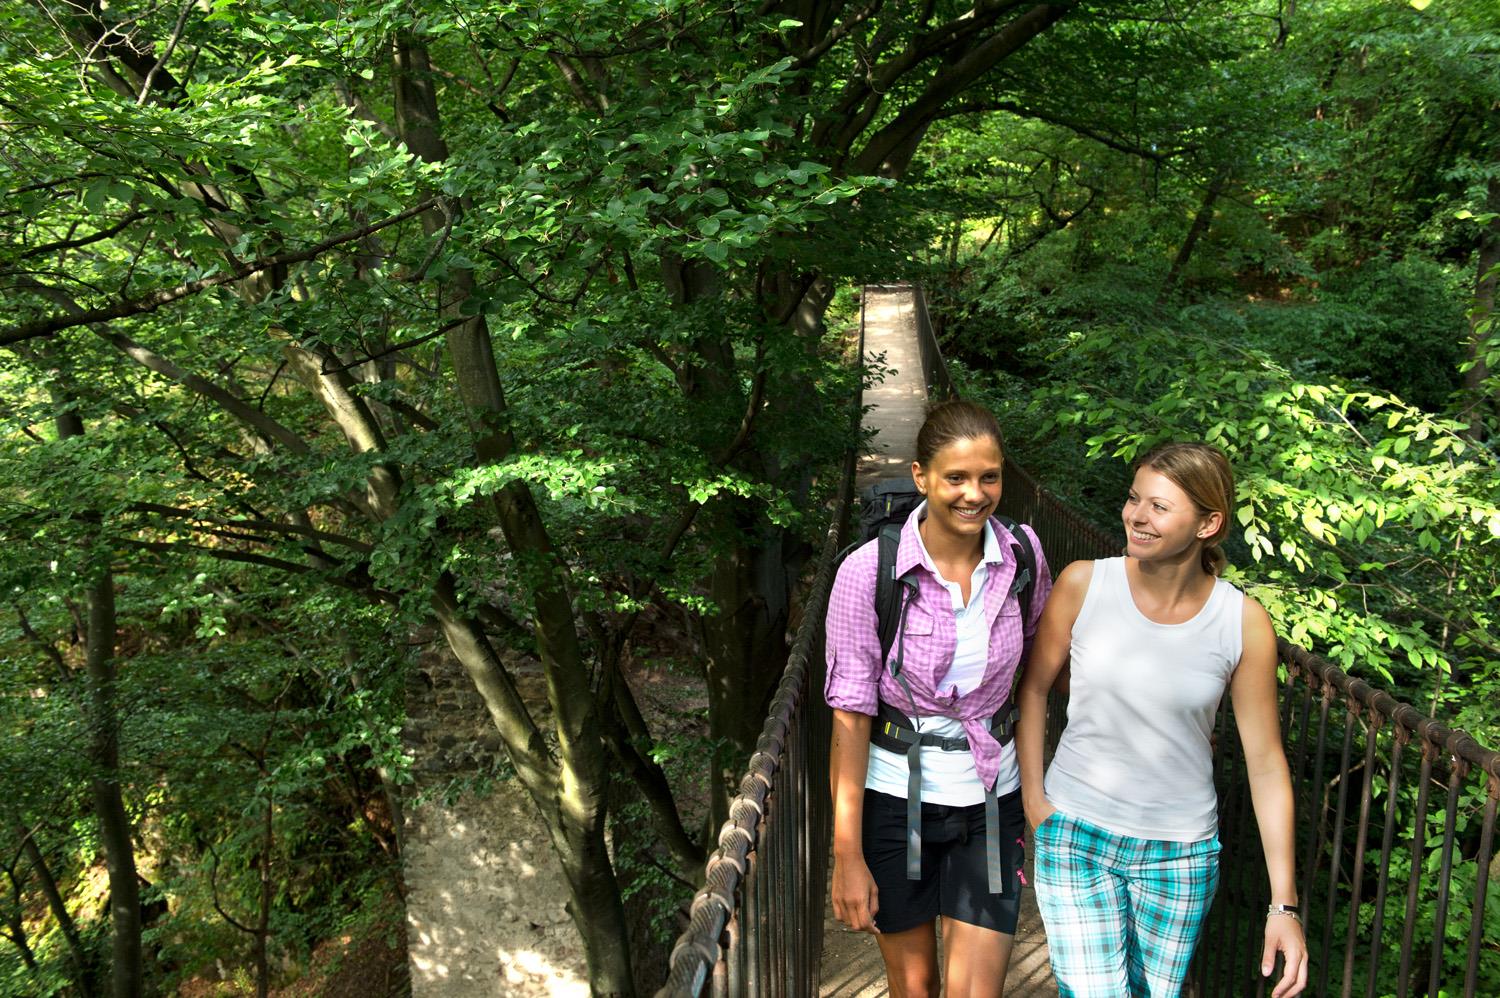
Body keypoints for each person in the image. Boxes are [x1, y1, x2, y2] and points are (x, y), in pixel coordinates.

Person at [1015, 442, 1309, 998]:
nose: (1136, 515)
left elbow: (1267, 765)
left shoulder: (1242, 622)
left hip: (1181, 854)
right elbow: (1033, 690)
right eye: (1133, 499)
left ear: (1208, 524)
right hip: (1076, 831)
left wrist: (1283, 904)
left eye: (1159, 506)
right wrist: (1036, 799)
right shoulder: (1084, 584)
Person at [825, 400, 1053, 998]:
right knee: (915, 988)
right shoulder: (867, 571)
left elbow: (1033, 682)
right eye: (955, 478)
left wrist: (1033, 795)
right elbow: (850, 717)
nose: (974, 494)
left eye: (989, 476)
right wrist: (846, 855)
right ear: (922, 477)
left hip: (991, 799)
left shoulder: (1023, 558)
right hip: (897, 802)